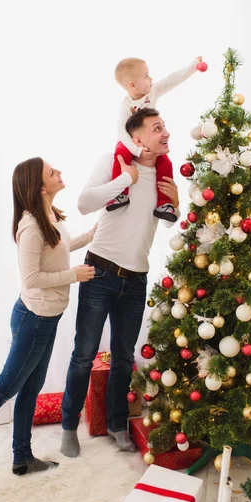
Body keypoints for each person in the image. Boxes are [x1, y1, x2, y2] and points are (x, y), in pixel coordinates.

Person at [0, 157, 95, 477]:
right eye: (52, 172)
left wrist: (93, 235)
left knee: (32, 387)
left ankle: (22, 457)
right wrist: (74, 275)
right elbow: (31, 279)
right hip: (34, 320)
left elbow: (61, 246)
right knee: (6, 387)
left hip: (46, 318)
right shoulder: (30, 226)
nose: (59, 173)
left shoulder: (51, 215)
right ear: (40, 187)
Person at [61, 107, 180, 457]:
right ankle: (69, 427)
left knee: (124, 358)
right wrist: (125, 179)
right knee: (84, 354)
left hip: (136, 279)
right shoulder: (114, 162)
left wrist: (176, 201)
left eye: (166, 127)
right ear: (138, 137)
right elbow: (83, 204)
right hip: (99, 272)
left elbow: (169, 222)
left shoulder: (163, 173)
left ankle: (116, 424)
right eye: (158, 128)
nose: (166, 133)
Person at [106, 56, 204, 221]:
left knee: (165, 163)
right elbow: (122, 133)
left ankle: (164, 204)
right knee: (120, 156)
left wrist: (193, 66)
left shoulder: (152, 92)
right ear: (132, 85)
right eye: (146, 76)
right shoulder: (126, 105)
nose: (151, 78)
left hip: (148, 142)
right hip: (129, 143)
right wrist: (136, 150)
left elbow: (171, 80)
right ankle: (119, 195)